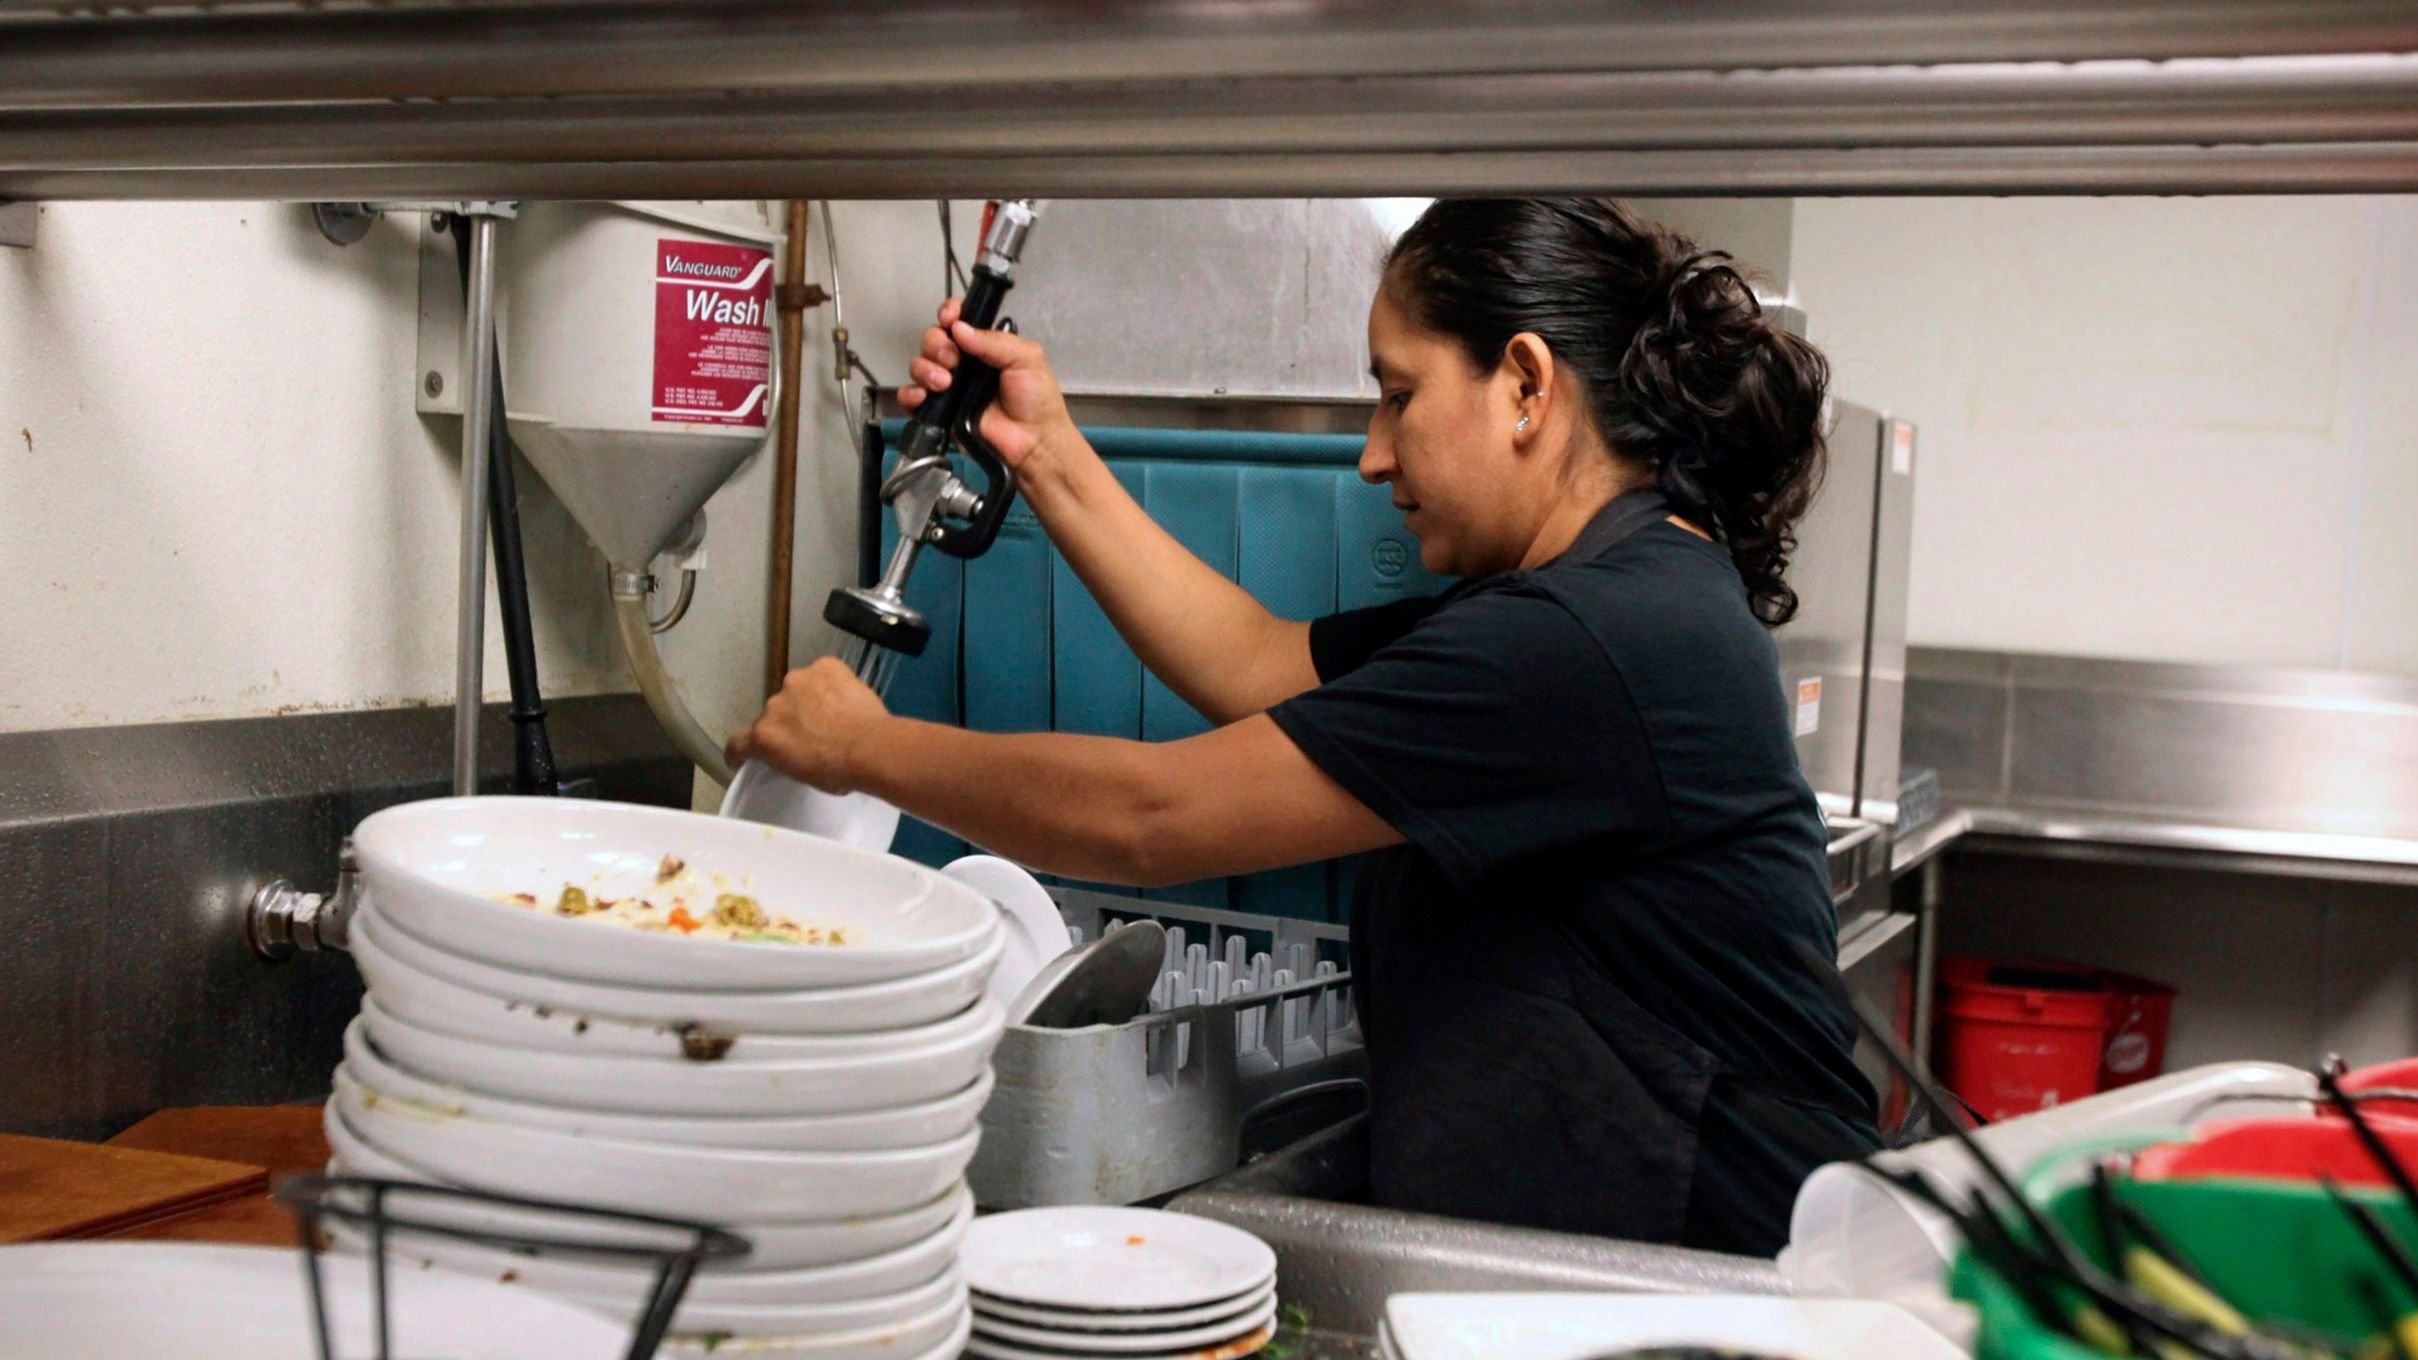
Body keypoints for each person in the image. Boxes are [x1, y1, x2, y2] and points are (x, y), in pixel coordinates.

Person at [729, 198, 1882, 1256]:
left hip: (1723, 1274)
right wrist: (1047, 450)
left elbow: (1153, 816)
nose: (1375, 452)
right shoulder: (1593, 599)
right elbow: (1255, 663)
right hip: (1642, 1255)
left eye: (1398, 393)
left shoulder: (1589, 639)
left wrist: (861, 747)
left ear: (1525, 385)